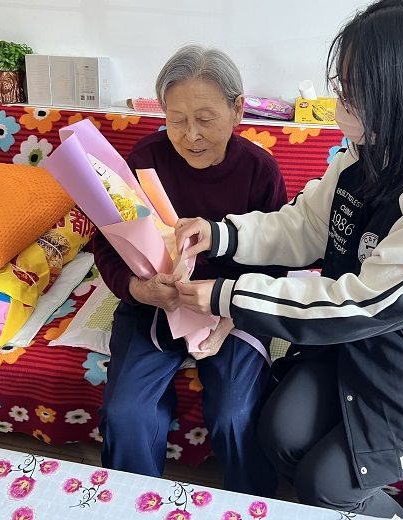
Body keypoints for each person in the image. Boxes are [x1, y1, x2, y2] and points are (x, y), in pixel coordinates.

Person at [175, 0, 403, 518]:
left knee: (325, 485)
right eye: (343, 84)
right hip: (357, 343)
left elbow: (367, 302)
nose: (341, 99)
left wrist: (227, 296)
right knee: (278, 433)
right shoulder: (368, 151)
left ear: (400, 89)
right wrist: (218, 235)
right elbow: (305, 225)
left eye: (354, 88)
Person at [94, 45, 286, 497]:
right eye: (176, 120)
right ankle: (133, 503)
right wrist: (138, 290)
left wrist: (228, 321)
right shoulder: (146, 158)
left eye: (205, 119)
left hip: (234, 304)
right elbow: (107, 242)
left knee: (235, 414)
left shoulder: (259, 170)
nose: (190, 136)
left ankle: (251, 505)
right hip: (156, 302)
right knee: (126, 413)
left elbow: (277, 263)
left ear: (238, 109)